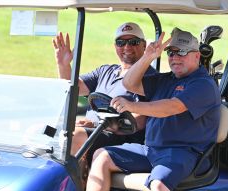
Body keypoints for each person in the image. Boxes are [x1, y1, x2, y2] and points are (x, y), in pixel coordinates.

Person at [85, 28, 221, 191]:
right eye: (171, 53)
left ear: (197, 56)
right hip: (151, 150)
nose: (175, 57)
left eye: (183, 52)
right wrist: (147, 57)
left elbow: (172, 107)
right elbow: (129, 83)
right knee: (101, 157)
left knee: (158, 185)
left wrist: (132, 106)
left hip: (182, 153)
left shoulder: (203, 84)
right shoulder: (164, 80)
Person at [52, 22, 157, 162]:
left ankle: (74, 182)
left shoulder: (152, 78)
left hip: (121, 138)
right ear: (115, 47)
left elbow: (140, 121)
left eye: (133, 42)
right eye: (121, 42)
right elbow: (75, 88)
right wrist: (63, 64)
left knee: (74, 136)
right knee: (41, 131)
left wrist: (96, 125)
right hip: (92, 131)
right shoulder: (105, 71)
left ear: (144, 45)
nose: (127, 47)